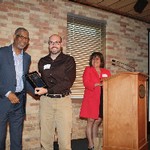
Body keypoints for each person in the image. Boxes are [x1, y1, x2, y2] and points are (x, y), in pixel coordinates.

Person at [35, 34, 76, 150]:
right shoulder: (42, 61)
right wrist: (36, 82)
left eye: (57, 42)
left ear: (61, 44)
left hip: (63, 101)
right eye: (51, 42)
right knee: (45, 138)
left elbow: (68, 82)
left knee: (64, 138)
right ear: (48, 45)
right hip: (46, 101)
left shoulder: (69, 60)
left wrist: (47, 89)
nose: (54, 45)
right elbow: (42, 82)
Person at [0, 27, 34, 150]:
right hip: (2, 101)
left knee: (17, 139)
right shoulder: (2, 53)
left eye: (26, 38)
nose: (24, 40)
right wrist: (7, 92)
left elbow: (24, 79)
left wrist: (36, 90)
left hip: (19, 102)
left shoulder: (27, 58)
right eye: (21, 36)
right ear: (15, 37)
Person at [80, 52, 111, 150]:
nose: (95, 61)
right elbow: (86, 82)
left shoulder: (106, 71)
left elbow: (110, 82)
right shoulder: (88, 70)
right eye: (93, 59)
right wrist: (97, 84)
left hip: (103, 98)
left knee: (98, 121)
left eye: (97, 59)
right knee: (91, 121)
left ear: (101, 61)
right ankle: (91, 144)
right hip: (91, 99)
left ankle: (95, 141)